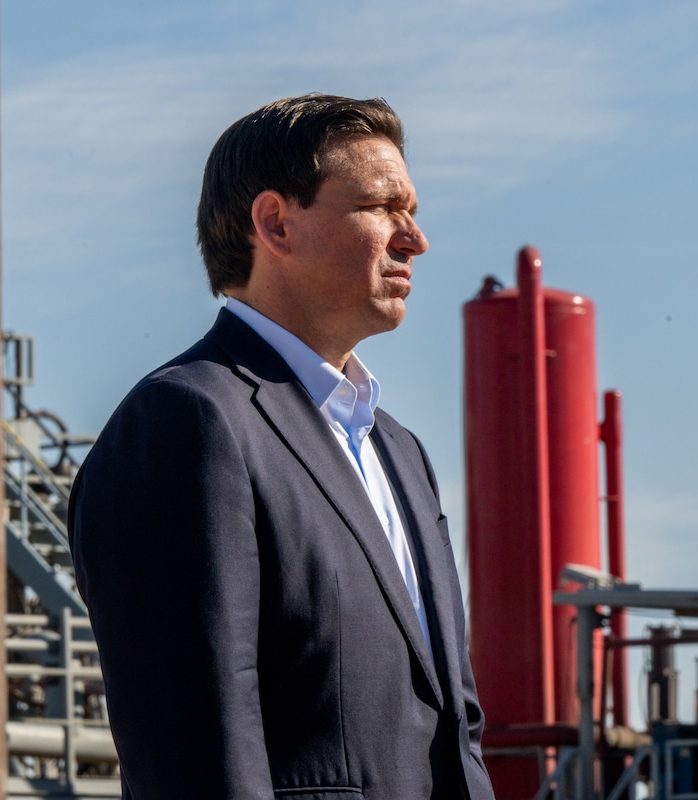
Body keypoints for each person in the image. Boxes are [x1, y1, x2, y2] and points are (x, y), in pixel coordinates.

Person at [69, 94, 494, 800]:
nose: (414, 238)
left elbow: (457, 728)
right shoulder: (189, 421)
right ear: (275, 222)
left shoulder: (400, 452)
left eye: (411, 210)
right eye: (382, 207)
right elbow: (194, 750)